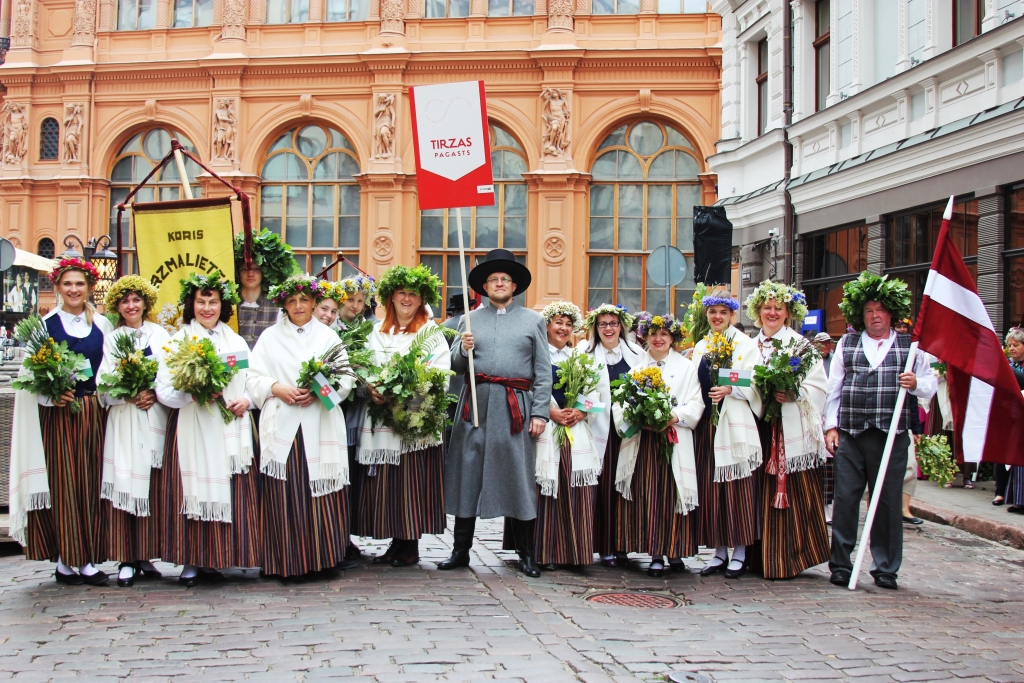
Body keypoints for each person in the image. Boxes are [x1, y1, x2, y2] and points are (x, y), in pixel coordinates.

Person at [438, 248, 552, 577]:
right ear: (484, 287)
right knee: (467, 474)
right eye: (493, 280)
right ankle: (460, 551)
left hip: (515, 406)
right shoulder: (467, 320)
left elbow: (543, 371)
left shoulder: (533, 320)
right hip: (476, 404)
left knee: (518, 477)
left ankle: (526, 554)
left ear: (514, 286)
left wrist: (540, 412)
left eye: (505, 279)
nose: (499, 284)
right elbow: (456, 367)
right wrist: (462, 347)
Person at [825, 272, 936, 590]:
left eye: (880, 310)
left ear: (890, 313)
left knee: (887, 502)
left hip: (892, 436)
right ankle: (841, 565)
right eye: (869, 311)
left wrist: (915, 384)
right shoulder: (847, 344)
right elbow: (834, 389)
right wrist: (831, 427)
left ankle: (886, 567)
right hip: (852, 434)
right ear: (861, 315)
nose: (875, 316)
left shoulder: (910, 347)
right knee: (845, 500)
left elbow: (930, 384)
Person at [10, 257, 113, 585]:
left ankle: (87, 558)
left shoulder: (102, 325)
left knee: (91, 483)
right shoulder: (46, 326)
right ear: (57, 287)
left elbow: (109, 370)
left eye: (79, 284)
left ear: (89, 288)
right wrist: (50, 395)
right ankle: (66, 559)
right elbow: (29, 374)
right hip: (59, 417)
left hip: (93, 413)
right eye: (67, 284)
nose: (73, 289)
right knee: (65, 484)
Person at [247, 275, 356, 579]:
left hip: (318, 420)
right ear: (284, 303)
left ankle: (321, 559)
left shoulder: (327, 337)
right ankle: (283, 561)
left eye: (304, 300)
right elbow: (252, 377)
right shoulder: (270, 337)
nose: (298, 306)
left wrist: (319, 393)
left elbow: (345, 378)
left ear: (313, 303)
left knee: (319, 489)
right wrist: (276, 388)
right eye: (292, 301)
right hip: (283, 422)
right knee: (285, 491)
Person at [156, 271, 258, 587]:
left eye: (213, 301)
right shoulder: (177, 342)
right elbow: (163, 390)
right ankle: (191, 559)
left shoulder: (237, 342)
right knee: (192, 489)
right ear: (192, 305)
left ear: (222, 305)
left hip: (229, 426)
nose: (207, 308)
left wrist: (247, 399)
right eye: (201, 301)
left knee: (230, 489)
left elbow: (252, 380)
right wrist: (194, 392)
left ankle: (223, 555)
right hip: (193, 427)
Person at [356, 265, 451, 567]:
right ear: (391, 298)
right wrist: (369, 388)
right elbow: (362, 366)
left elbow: (439, 373)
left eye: (413, 294)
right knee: (389, 484)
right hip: (380, 418)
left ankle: (409, 545)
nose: (407, 299)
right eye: (401, 293)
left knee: (410, 483)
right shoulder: (376, 330)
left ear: (421, 300)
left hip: (413, 422)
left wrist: (408, 397)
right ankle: (396, 543)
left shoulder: (430, 333)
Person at [746, 280, 830, 580]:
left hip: (787, 429)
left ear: (788, 312)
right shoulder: (749, 345)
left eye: (777, 308)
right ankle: (755, 557)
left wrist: (794, 394)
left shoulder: (800, 346)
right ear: (758, 311)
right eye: (767, 308)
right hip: (756, 426)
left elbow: (819, 387)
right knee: (755, 493)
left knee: (791, 494)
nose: (772, 313)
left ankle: (788, 557)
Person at [612, 313, 703, 577]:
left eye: (663, 334)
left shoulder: (686, 368)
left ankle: (675, 550)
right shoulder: (638, 367)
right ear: (645, 337)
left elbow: (696, 403)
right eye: (653, 334)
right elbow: (622, 402)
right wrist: (638, 417)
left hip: (672, 438)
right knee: (650, 495)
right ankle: (655, 552)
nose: (658, 339)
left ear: (672, 338)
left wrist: (674, 416)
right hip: (645, 442)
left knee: (672, 494)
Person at [511, 301, 599, 573]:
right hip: (544, 428)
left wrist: (581, 412)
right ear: (547, 325)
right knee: (543, 488)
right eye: (558, 322)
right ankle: (541, 550)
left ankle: (573, 551)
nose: (563, 328)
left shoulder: (579, 357)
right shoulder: (536, 355)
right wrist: (551, 411)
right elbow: (529, 386)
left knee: (573, 489)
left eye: (568, 324)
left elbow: (595, 391)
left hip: (573, 429)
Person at [97, 276, 171, 587]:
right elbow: (103, 383)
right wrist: (127, 393)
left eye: (136, 300)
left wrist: (154, 392)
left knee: (151, 485)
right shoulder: (112, 339)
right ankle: (126, 556)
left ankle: (146, 553)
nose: (131, 306)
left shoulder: (161, 333)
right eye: (125, 301)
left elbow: (171, 372)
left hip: (153, 415)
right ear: (118, 306)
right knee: (125, 481)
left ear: (145, 303)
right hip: (126, 417)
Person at [689, 294, 762, 579]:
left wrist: (730, 389)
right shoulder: (700, 346)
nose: (717, 317)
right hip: (708, 424)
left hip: (734, 424)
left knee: (737, 487)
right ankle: (719, 551)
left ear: (732, 315)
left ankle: (740, 551)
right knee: (712, 489)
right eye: (712, 312)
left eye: (723, 312)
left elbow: (754, 378)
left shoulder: (745, 344)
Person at [580, 304, 643, 567]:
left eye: (613, 323)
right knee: (602, 489)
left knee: (625, 487)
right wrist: (590, 407)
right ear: (596, 327)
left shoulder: (637, 354)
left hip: (627, 430)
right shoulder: (583, 353)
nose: (608, 328)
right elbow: (577, 392)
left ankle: (623, 545)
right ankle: (604, 545)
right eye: (603, 324)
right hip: (598, 428)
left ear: (622, 326)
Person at [336, 274, 376, 559]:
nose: (355, 305)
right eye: (350, 299)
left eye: (360, 301)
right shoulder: (330, 327)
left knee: (351, 473)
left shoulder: (368, 330)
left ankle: (347, 534)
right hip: (331, 403)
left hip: (355, 407)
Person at [235, 229, 298, 349]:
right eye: (246, 269)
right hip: (234, 365)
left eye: (256, 269)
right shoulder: (230, 305)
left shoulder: (277, 306)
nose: (251, 274)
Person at [1003, 328, 1024, 513]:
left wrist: (1007, 370)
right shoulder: (1012, 364)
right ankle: (1017, 498)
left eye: (1016, 345)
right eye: (1010, 345)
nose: (1012, 348)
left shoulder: (1015, 367)